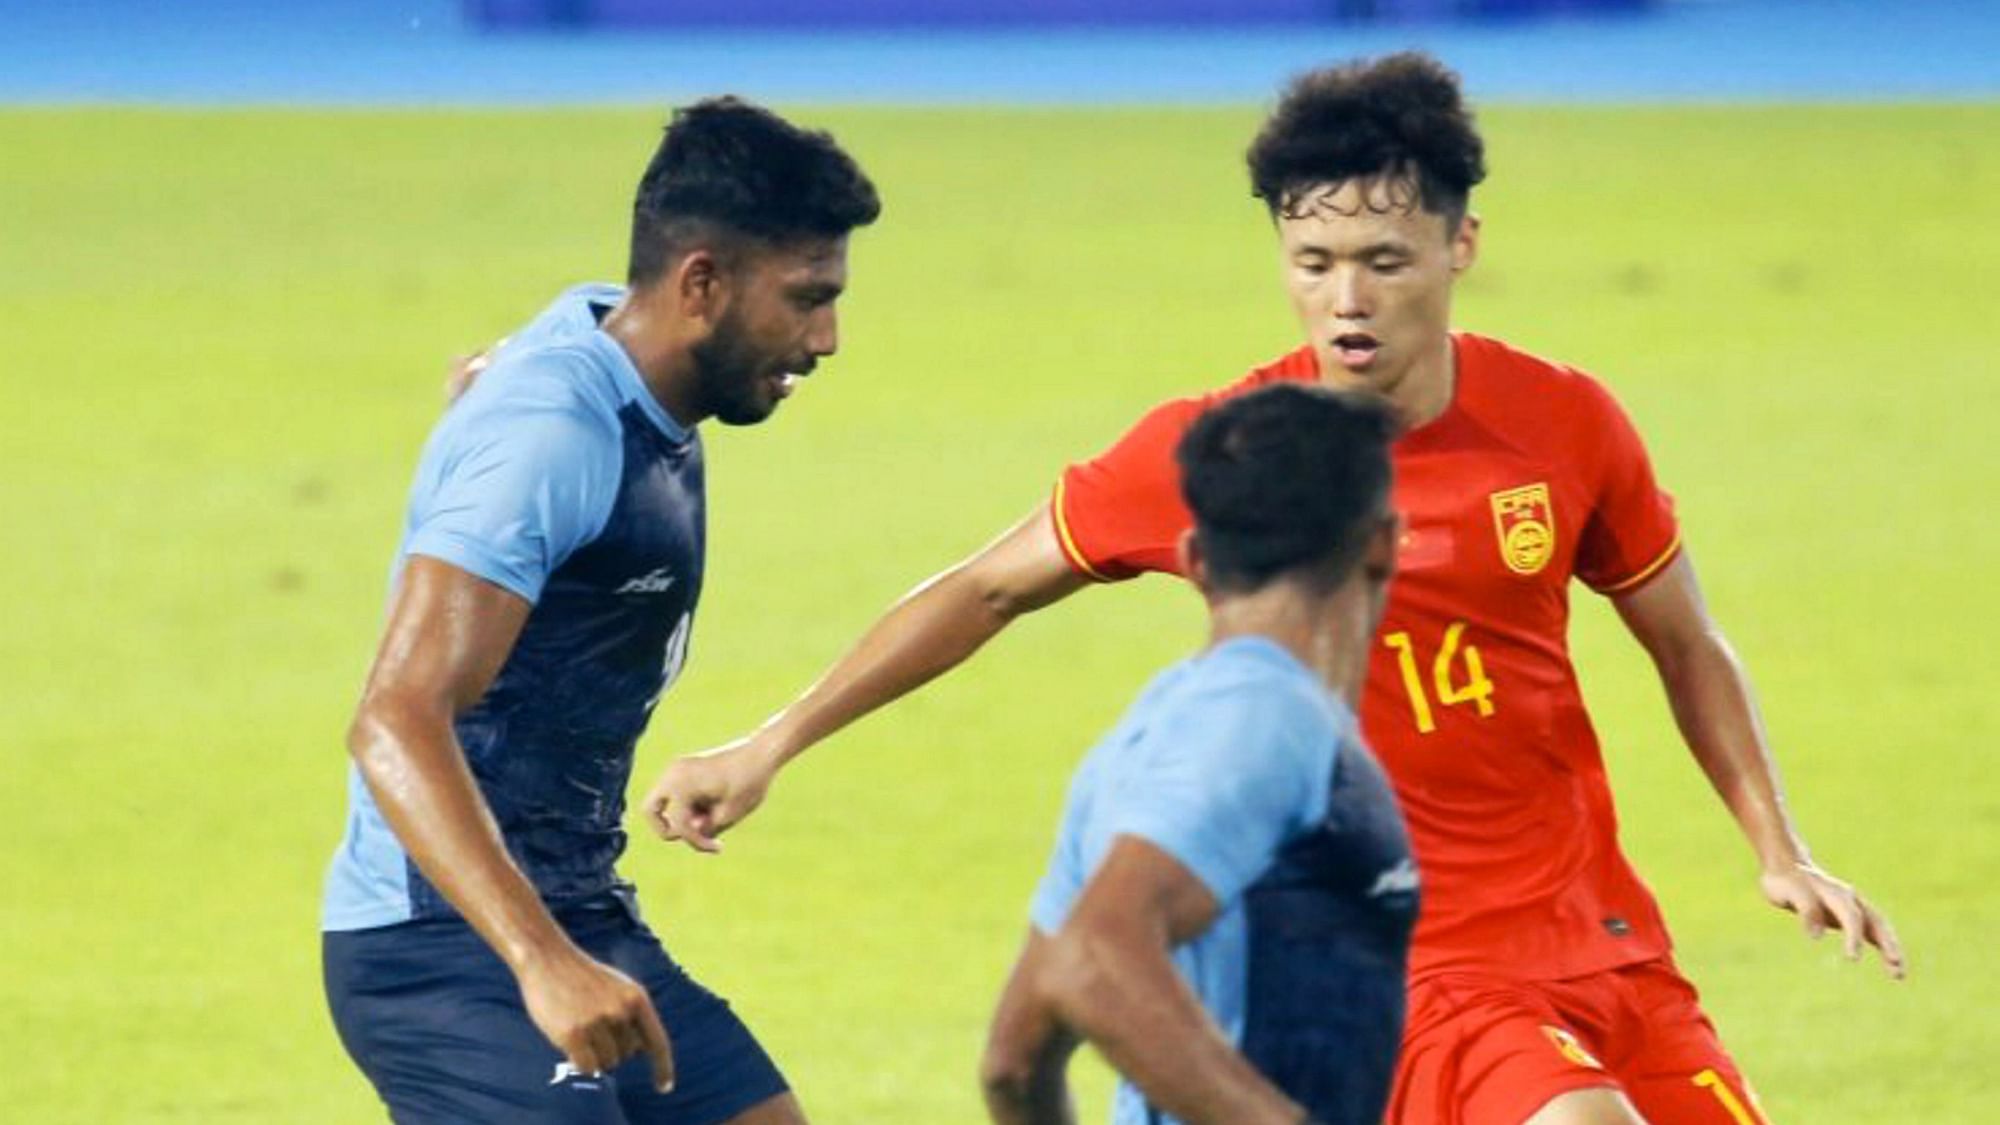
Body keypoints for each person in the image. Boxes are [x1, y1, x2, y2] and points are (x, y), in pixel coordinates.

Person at [644, 55, 1904, 1125]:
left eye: (1381, 259)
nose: (1343, 299)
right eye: (1310, 260)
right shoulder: (1231, 457)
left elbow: (1682, 642)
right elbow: (983, 590)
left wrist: (1775, 849)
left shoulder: (1563, 422)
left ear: (1460, 244)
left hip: (1606, 940)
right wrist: (772, 743)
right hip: (1423, 963)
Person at [321, 96, 879, 1125]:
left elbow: (514, 362)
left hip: (576, 912)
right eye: (805, 299)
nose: (827, 337)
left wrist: (483, 397)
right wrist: (541, 963)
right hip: (442, 950)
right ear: (700, 284)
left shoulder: (607, 342)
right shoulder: (554, 434)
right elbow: (394, 717)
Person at [980, 384, 1416, 1125]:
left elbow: (1014, 1065)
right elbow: (1093, 957)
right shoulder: (1269, 720)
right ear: (1381, 542)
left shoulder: (1144, 737)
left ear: (1195, 558)